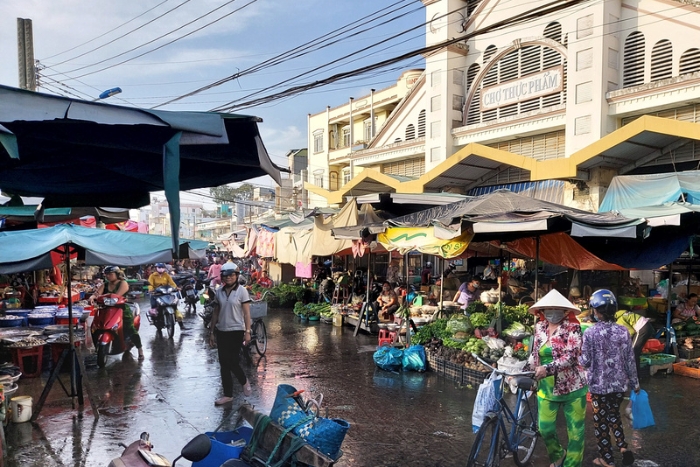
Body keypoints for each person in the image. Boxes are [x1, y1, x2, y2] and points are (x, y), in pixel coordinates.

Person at [525, 289, 587, 467]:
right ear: (542, 311)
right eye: (548, 309)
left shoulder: (573, 328)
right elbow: (535, 354)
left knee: (576, 433)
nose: (552, 312)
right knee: (545, 428)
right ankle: (558, 454)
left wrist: (548, 368)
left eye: (556, 308)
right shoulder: (539, 327)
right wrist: (523, 369)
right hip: (545, 388)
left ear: (565, 311)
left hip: (573, 387)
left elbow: (572, 356)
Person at [581, 289, 638, 467]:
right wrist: (635, 383)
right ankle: (622, 447)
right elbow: (630, 359)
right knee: (614, 415)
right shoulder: (623, 332)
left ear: (596, 311)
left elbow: (585, 361)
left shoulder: (590, 333)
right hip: (619, 385)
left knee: (601, 422)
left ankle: (607, 459)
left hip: (598, 386)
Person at [209, 262, 253, 405]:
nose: (228, 278)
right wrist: (212, 332)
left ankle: (243, 380)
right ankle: (228, 395)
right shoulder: (219, 291)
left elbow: (246, 314)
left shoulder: (242, 291)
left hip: (236, 331)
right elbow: (216, 312)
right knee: (223, 364)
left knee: (232, 361)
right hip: (222, 331)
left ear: (236, 276)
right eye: (226, 276)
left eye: (231, 275)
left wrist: (247, 332)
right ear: (222, 277)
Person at [91, 266, 144, 360]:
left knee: (130, 328)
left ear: (117, 274)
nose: (108, 276)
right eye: (106, 274)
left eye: (110, 274)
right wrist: (92, 297)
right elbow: (97, 294)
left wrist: (102, 297)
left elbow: (116, 296)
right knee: (95, 326)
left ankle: (140, 349)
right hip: (106, 309)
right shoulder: (105, 285)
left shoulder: (123, 283)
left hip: (121, 309)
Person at [615, 308, 654, 375]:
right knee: (635, 352)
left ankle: (635, 375)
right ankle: (635, 374)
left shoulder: (619, 320)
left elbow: (631, 332)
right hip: (647, 327)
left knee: (633, 352)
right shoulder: (624, 314)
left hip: (642, 329)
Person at [148, 263, 184, 329]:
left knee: (174, 306)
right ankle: (153, 319)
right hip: (156, 294)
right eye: (159, 267)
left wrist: (176, 287)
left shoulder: (166, 275)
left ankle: (181, 325)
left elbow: (172, 283)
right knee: (154, 306)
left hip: (166, 293)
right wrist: (151, 289)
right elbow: (150, 284)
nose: (161, 269)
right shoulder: (152, 276)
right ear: (156, 268)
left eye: (162, 267)